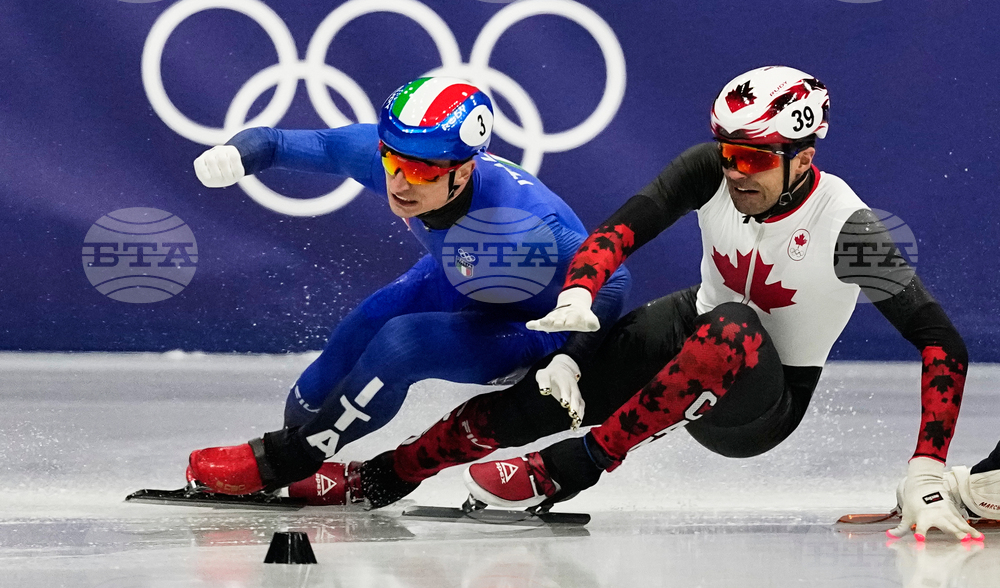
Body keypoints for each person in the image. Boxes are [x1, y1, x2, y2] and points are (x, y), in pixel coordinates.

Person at [229, 66, 977, 543]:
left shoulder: (850, 231)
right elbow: (617, 232)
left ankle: (572, 467)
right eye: (726, 151)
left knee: (732, 328)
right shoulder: (709, 171)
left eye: (753, 159)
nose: (734, 171)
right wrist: (581, 297)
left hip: (765, 400)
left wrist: (926, 468)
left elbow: (942, 340)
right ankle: (386, 475)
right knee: (552, 388)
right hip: (700, 327)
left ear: (804, 159)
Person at [184, 76, 630, 499]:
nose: (399, 183)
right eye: (393, 161)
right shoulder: (386, 158)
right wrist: (237, 154)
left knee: (401, 345)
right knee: (350, 345)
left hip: (529, 323)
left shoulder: (523, 223)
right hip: (457, 276)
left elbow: (615, 279)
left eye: (419, 172)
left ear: (464, 170)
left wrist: (571, 357)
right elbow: (280, 143)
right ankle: (305, 453)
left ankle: (287, 460)